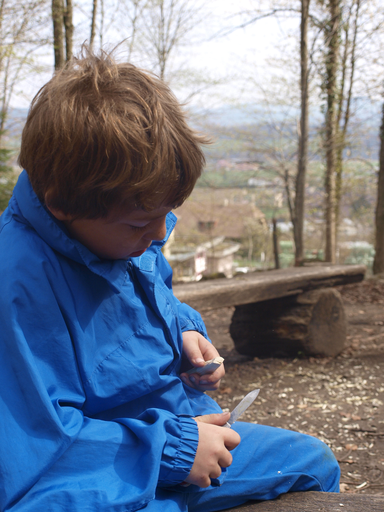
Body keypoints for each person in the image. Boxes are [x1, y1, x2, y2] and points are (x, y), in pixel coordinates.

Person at [0, 47, 340, 512]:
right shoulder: (17, 288)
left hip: (178, 428)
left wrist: (184, 332)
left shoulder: (119, 235)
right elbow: (32, 452)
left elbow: (148, 297)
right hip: (105, 470)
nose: (159, 234)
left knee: (310, 463)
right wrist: (170, 450)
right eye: (142, 222)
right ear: (62, 204)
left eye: (167, 214)